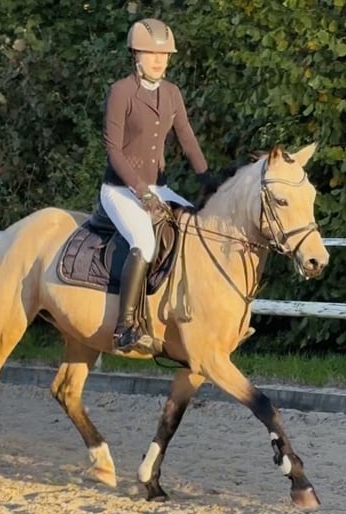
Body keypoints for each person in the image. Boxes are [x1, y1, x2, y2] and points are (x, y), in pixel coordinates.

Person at [100, 17, 217, 353]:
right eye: (151, 53)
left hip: (160, 186)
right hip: (121, 190)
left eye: (164, 55)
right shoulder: (121, 92)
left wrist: (206, 177)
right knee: (144, 242)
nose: (159, 60)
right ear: (135, 55)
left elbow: (187, 137)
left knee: (197, 230)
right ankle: (126, 329)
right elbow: (113, 149)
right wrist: (141, 191)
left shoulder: (172, 93)